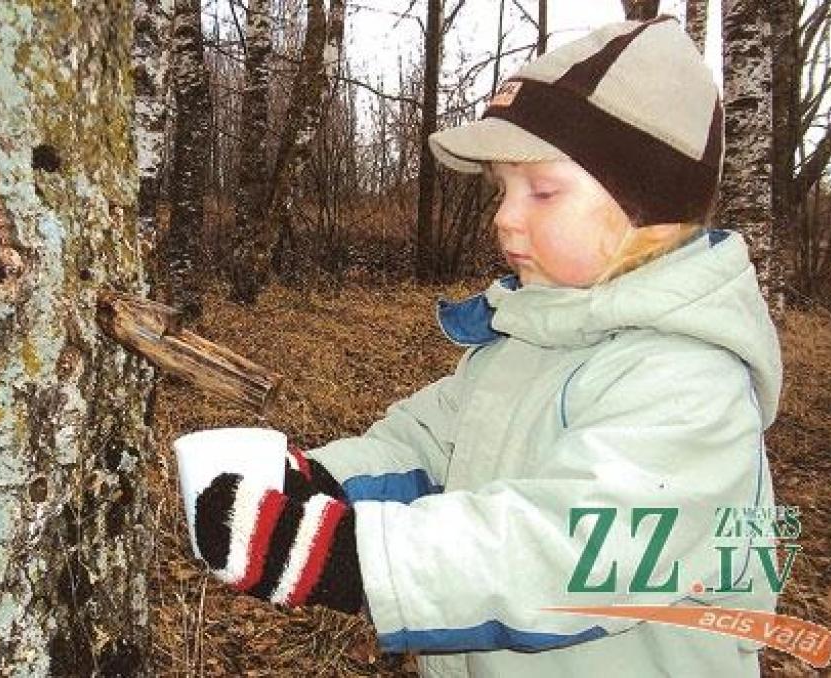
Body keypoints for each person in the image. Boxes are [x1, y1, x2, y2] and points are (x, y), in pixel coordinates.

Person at [192, 16, 782, 677]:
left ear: (647, 207)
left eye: (543, 190)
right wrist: (313, 482)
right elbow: (423, 448)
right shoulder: (527, 337)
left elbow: (572, 552)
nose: (503, 215)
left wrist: (340, 555)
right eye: (502, 188)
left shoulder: (690, 381)